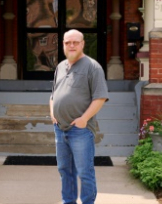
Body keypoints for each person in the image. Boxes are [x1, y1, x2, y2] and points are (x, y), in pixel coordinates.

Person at [50, 29, 109, 204]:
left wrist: (84, 119)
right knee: (64, 169)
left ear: (82, 44)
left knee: (84, 172)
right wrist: (53, 113)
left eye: (75, 42)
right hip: (60, 129)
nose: (72, 45)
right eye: (68, 42)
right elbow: (53, 94)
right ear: (63, 45)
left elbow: (100, 97)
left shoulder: (93, 67)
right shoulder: (60, 67)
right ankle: (68, 201)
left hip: (80, 130)